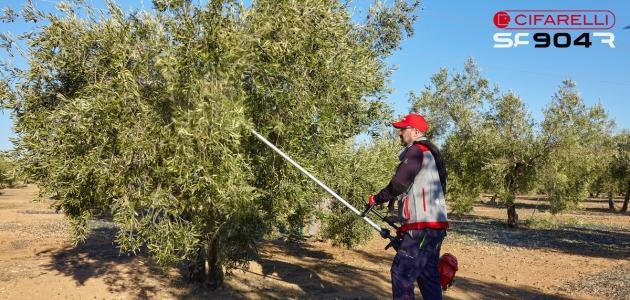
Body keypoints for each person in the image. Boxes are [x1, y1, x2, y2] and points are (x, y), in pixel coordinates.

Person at [367, 113, 448, 300]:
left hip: (421, 227)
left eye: (403, 129)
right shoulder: (431, 153)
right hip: (435, 227)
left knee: (401, 273)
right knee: (429, 278)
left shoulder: (417, 151)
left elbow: (398, 184)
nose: (400, 133)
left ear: (416, 131)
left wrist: (377, 199)